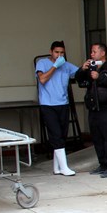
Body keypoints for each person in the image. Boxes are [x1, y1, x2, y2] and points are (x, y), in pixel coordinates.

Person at [75, 43, 107, 178]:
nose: (92, 54)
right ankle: (102, 164)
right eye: (91, 51)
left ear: (102, 53)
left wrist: (99, 77)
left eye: (94, 51)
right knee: (97, 137)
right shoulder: (91, 68)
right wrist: (82, 70)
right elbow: (79, 81)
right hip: (93, 108)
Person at [35, 40, 80, 176]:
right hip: (48, 104)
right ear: (51, 52)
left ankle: (57, 167)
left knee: (62, 135)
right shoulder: (42, 63)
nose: (59, 55)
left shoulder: (66, 65)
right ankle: (65, 167)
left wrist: (86, 67)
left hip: (63, 103)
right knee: (55, 135)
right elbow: (42, 79)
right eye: (56, 52)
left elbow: (79, 73)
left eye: (62, 53)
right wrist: (55, 66)